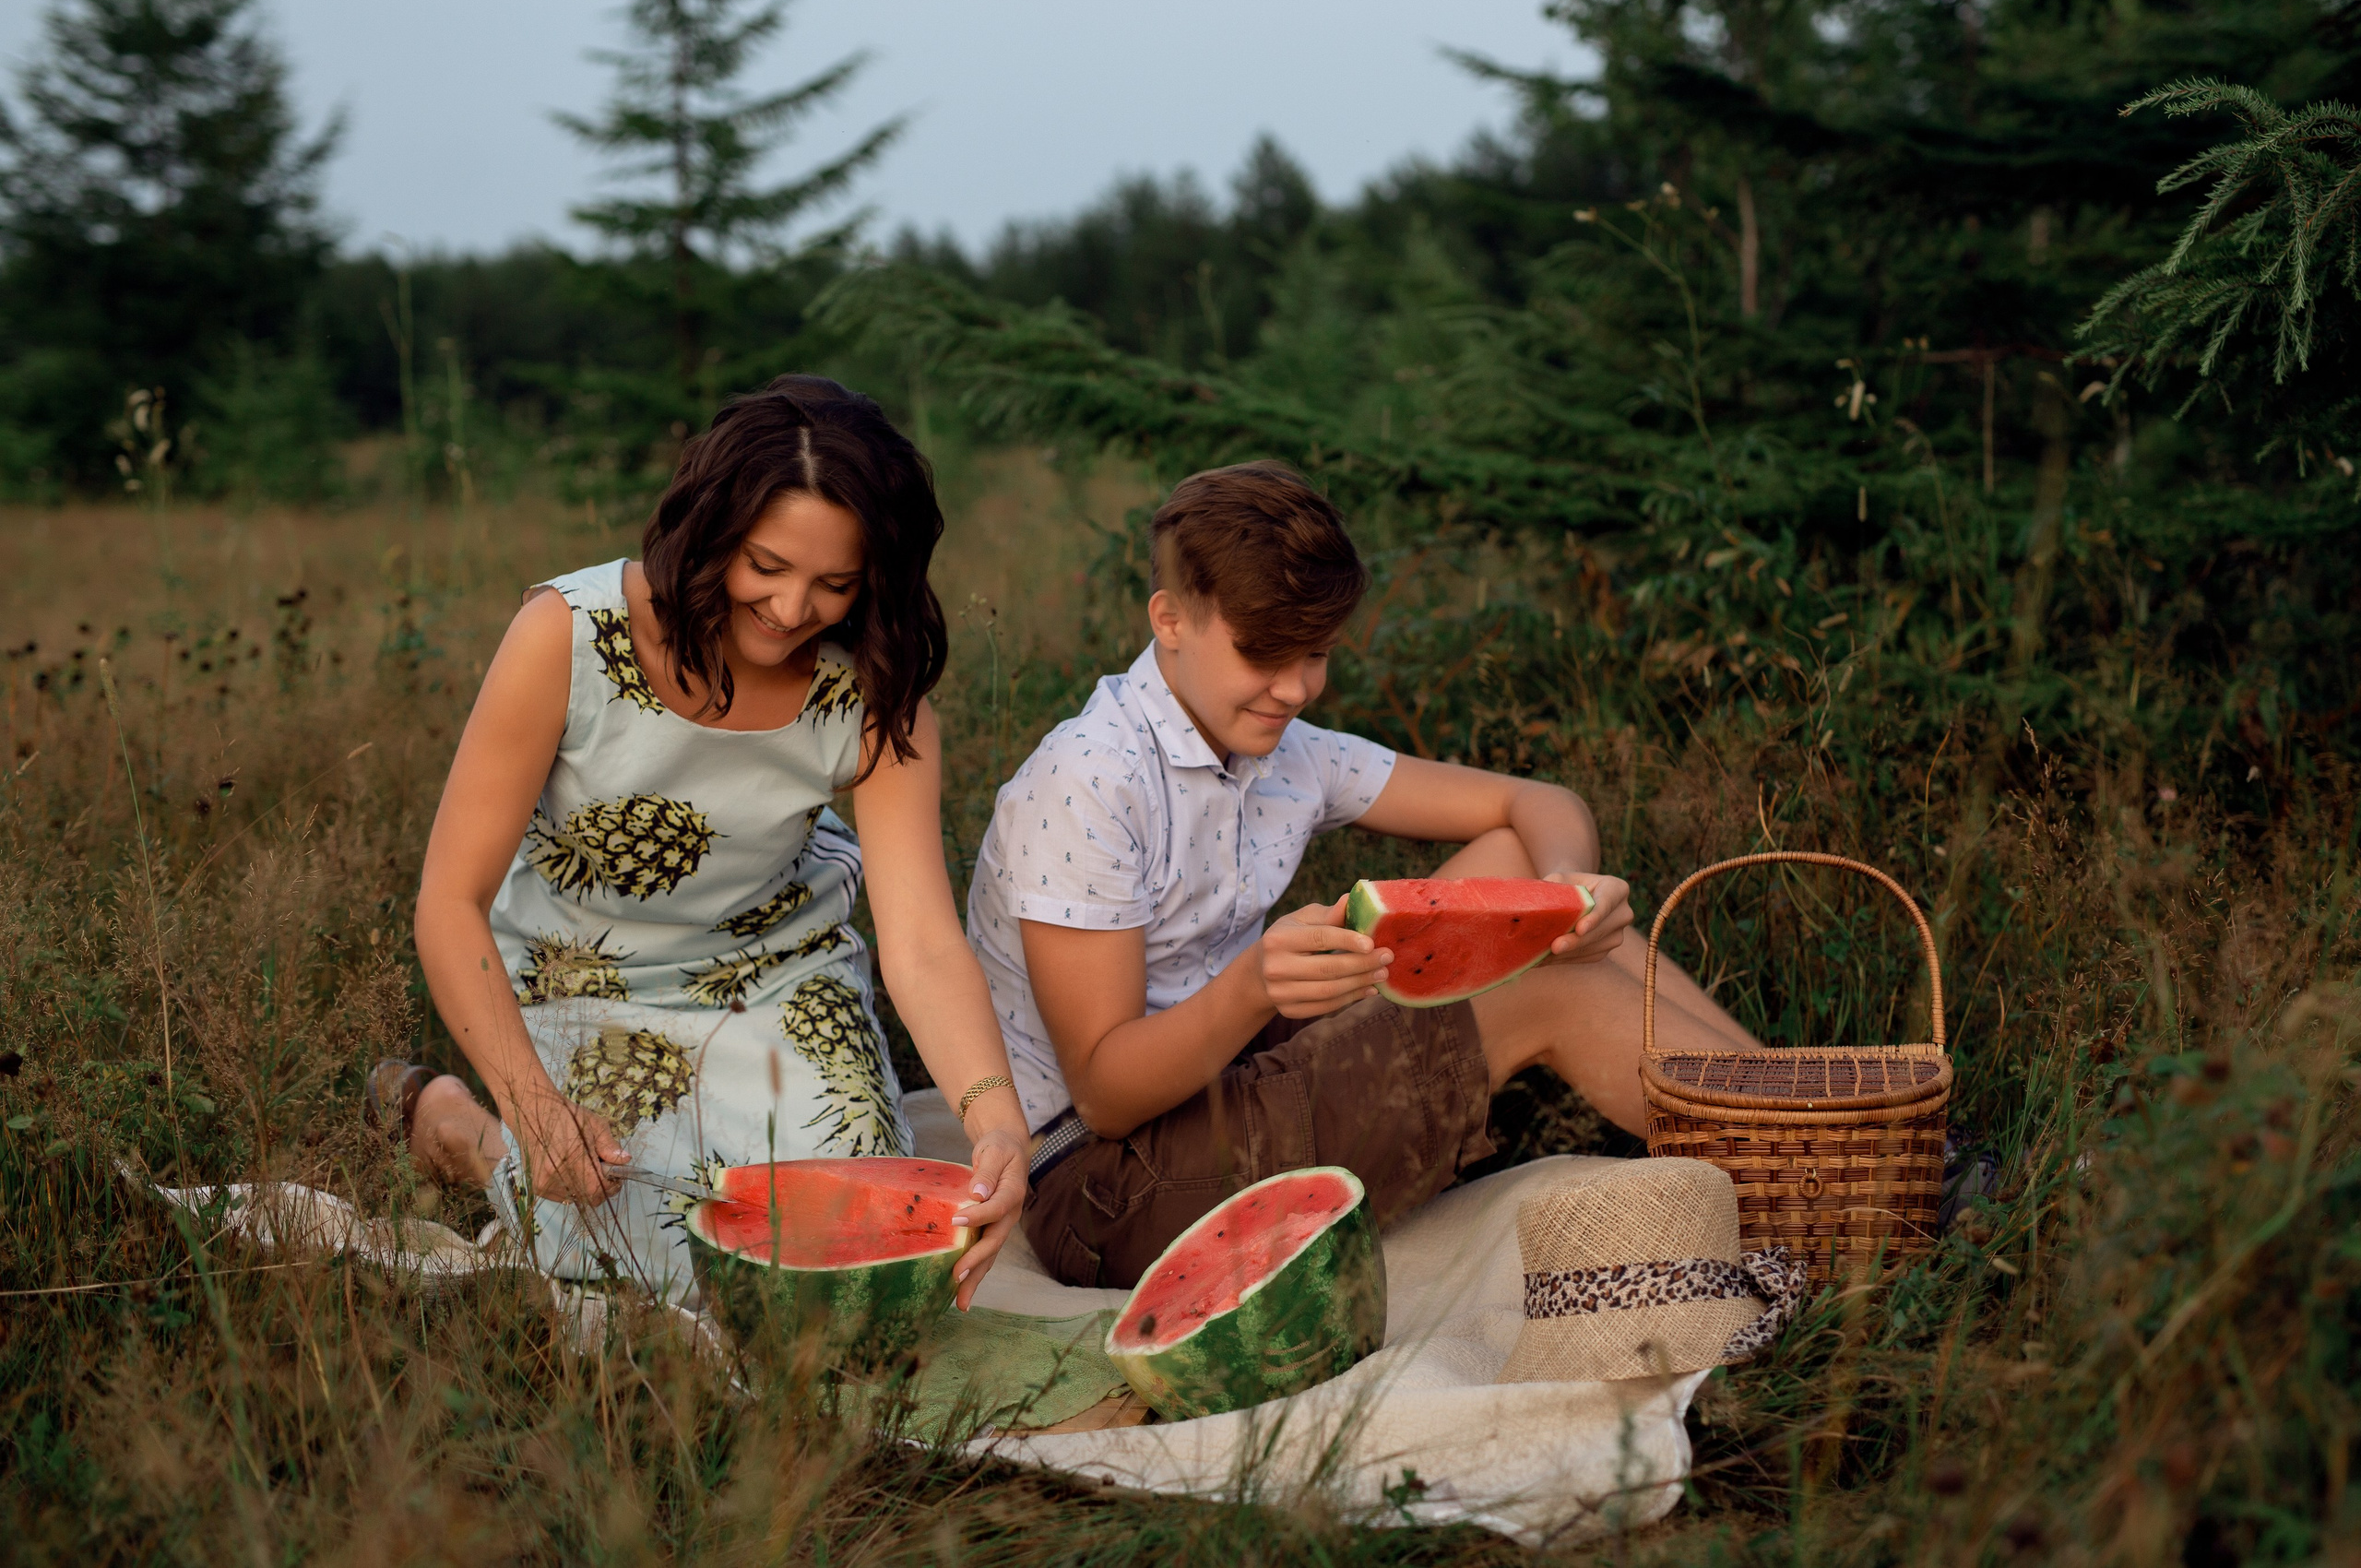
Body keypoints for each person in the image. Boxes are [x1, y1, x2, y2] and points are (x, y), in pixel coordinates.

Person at [964, 460, 1759, 1289]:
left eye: (1317, 653)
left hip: (1218, 1082)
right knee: (1550, 983)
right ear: (1170, 618)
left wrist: (1571, 887)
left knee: (1534, 891)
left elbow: (1533, 803)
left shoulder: (1282, 748)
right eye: (1261, 652)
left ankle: (1815, 1124)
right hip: (1103, 1184)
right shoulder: (1088, 780)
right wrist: (1254, 986)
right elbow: (1103, 1096)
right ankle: (1814, 1172)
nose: (1295, 687)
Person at [373, 375, 1027, 1310]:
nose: (793, 607)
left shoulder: (875, 686)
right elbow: (450, 900)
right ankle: (464, 1131)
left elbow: (920, 940)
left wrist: (996, 1119)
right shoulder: (565, 635)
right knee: (623, 1245)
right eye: (765, 564)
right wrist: (529, 1100)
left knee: (846, 1242)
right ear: (711, 527)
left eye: (834, 584)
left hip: (778, 976)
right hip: (579, 976)